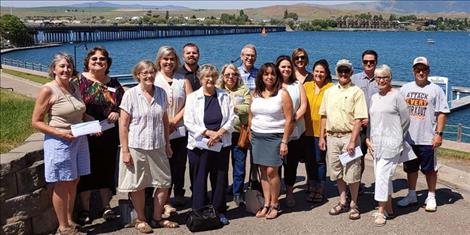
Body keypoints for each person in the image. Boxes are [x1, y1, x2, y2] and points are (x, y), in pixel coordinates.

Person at [31, 52, 90, 235]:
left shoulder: (74, 86)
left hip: (79, 138)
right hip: (60, 141)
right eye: (62, 66)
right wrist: (60, 133)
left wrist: (92, 123)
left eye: (69, 66)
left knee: (74, 180)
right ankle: (63, 227)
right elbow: (36, 122)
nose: (66, 69)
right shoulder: (48, 89)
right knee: (62, 183)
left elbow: (79, 112)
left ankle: (70, 221)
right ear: (54, 69)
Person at [118, 60, 178, 233]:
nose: (149, 76)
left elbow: (164, 120)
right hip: (137, 146)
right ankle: (141, 220)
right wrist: (125, 151)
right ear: (138, 75)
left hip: (158, 145)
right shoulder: (130, 95)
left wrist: (167, 143)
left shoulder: (161, 93)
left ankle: (157, 218)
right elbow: (123, 125)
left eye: (151, 72)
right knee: (138, 185)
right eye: (144, 73)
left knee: (164, 182)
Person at [74, 47, 124, 225]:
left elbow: (123, 104)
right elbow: (72, 105)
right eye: (94, 59)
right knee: (86, 170)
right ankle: (85, 209)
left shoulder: (115, 83)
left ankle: (106, 206)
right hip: (86, 133)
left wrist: (117, 111)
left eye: (102, 59)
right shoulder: (78, 82)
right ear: (87, 62)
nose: (98, 61)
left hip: (109, 134)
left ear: (107, 63)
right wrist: (87, 118)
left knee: (106, 169)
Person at [184, 64, 236, 225]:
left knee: (219, 178)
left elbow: (232, 118)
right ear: (200, 79)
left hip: (221, 144)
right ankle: (199, 212)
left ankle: (218, 211)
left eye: (213, 76)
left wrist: (219, 133)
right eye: (206, 76)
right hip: (200, 145)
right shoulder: (193, 97)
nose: (210, 79)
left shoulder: (224, 95)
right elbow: (188, 122)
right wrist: (207, 133)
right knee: (199, 179)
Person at [397, 56, 450, 212]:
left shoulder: (435, 90)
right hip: (409, 138)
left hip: (428, 138)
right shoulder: (405, 88)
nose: (421, 72)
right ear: (413, 71)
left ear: (428, 70)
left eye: (424, 69)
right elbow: (398, 111)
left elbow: (441, 113)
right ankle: (412, 194)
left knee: (430, 169)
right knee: (411, 168)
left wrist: (439, 134)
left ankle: (431, 196)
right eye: (418, 69)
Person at [319, 59, 368, 220]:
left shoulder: (357, 92)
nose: (343, 73)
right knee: (337, 172)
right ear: (336, 72)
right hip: (332, 137)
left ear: (351, 73)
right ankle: (342, 201)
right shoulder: (329, 92)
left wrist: (353, 141)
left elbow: (359, 119)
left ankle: (354, 204)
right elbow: (324, 116)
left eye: (346, 71)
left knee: (352, 172)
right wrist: (322, 137)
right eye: (341, 70)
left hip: (349, 137)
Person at [366, 64, 410, 226]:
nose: (381, 80)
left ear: (390, 78)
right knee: (381, 177)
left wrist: (398, 136)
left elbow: (405, 120)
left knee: (383, 177)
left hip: (392, 144)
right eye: (378, 77)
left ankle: (380, 210)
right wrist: (369, 138)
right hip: (377, 143)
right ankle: (389, 208)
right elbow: (373, 120)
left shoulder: (397, 96)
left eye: (384, 77)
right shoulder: (374, 98)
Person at [249, 63, 293, 219]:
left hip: (275, 137)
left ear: (277, 77)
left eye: (272, 74)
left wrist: (284, 141)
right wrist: (250, 133)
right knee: (262, 172)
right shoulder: (255, 93)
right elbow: (251, 115)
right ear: (261, 76)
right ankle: (266, 203)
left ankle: (275, 204)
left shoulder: (283, 94)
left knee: (271, 171)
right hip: (257, 136)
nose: (269, 77)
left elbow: (289, 119)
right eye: (266, 74)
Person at [153, 46, 192, 209]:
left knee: (179, 164)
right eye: (165, 59)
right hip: (159, 130)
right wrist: (166, 122)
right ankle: (164, 199)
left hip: (180, 129)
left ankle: (179, 193)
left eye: (172, 59)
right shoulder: (153, 78)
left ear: (176, 61)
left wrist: (175, 120)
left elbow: (191, 101)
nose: (168, 62)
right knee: (162, 165)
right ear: (159, 61)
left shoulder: (182, 80)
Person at [275, 55, 307, 208]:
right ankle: (274, 195)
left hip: (295, 132)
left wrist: (292, 120)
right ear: (277, 68)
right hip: (275, 132)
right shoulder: (272, 84)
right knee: (275, 165)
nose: (286, 69)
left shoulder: (297, 84)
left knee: (291, 165)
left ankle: (289, 193)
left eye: (288, 66)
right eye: (283, 66)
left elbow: (303, 106)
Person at [217, 63, 251, 206]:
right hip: (223, 133)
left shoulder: (244, 90)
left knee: (239, 164)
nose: (230, 77)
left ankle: (238, 192)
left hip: (239, 132)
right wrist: (238, 108)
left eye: (233, 74)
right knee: (222, 165)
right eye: (227, 75)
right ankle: (222, 190)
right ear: (223, 77)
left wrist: (232, 107)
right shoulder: (218, 91)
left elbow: (248, 107)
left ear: (237, 76)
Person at [303, 59, 334, 203]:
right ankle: (312, 184)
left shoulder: (331, 88)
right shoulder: (306, 86)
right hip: (306, 131)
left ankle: (320, 189)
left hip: (322, 132)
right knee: (309, 161)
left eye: (322, 71)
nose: (319, 74)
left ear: (326, 73)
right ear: (313, 72)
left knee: (320, 161)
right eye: (316, 71)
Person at [351, 50, 379, 192]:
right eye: (366, 62)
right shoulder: (354, 79)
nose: (369, 64)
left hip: (376, 126)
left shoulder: (381, 79)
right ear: (362, 63)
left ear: (376, 63)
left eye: (372, 62)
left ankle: (381, 187)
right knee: (358, 157)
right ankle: (356, 184)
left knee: (379, 157)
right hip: (360, 125)